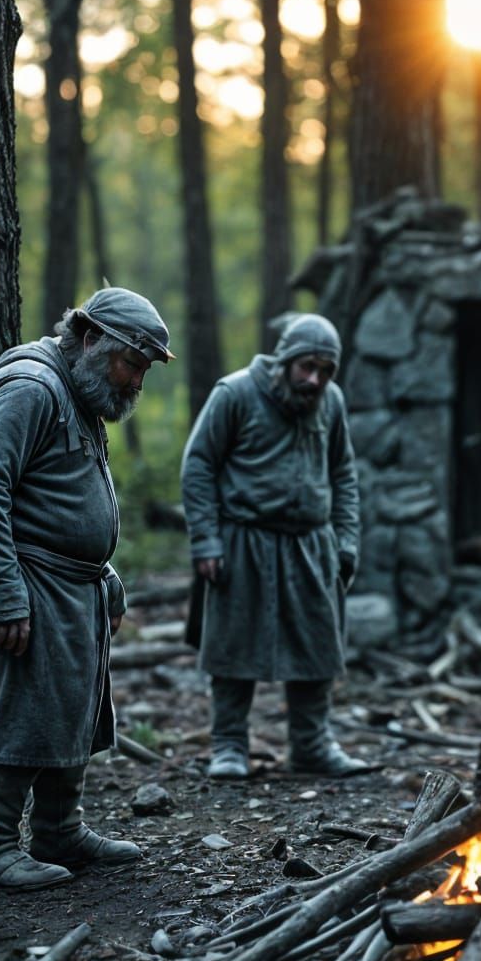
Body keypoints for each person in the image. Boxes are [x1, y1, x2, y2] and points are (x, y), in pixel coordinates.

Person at [0, 287, 173, 890]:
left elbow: (64, 496)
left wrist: (106, 574)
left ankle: (58, 831)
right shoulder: (33, 388)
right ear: (91, 336)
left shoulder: (78, 392)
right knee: (23, 706)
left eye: (144, 371)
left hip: (66, 582)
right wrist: (5, 592)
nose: (135, 382)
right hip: (23, 574)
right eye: (132, 363)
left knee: (70, 701)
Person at [180, 313, 366, 779]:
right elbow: (198, 465)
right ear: (285, 359)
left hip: (311, 543)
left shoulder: (331, 402)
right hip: (243, 540)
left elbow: (343, 474)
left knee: (317, 646)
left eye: (325, 370)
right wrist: (205, 539)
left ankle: (311, 746)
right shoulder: (235, 393)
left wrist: (346, 540)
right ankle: (228, 746)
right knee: (233, 645)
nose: (314, 379)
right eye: (306, 366)